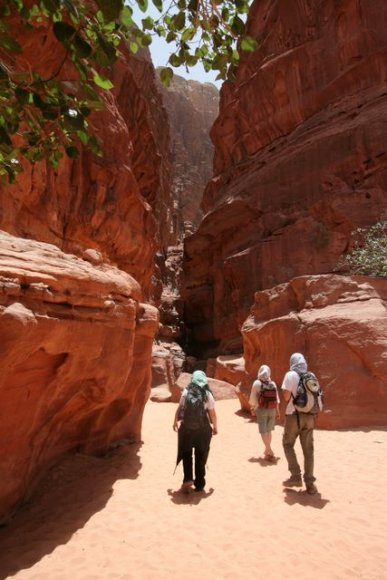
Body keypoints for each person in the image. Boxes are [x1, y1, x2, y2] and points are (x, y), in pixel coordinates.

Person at [173, 370, 218, 493]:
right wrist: (215, 427)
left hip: (186, 428)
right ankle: (199, 484)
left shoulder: (187, 391)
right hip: (203, 429)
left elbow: (180, 407)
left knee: (186, 453)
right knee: (201, 455)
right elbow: (212, 413)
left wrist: (174, 421)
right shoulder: (207, 393)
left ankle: (188, 478)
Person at [281, 352, 318, 494]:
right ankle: (310, 484)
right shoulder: (311, 375)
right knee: (308, 451)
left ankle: (296, 476)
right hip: (310, 416)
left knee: (287, 444)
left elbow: (285, 397)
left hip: (293, 415)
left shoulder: (290, 375)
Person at [249, 364, 280, 461]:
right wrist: (278, 412)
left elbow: (253, 399)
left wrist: (252, 408)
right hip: (272, 410)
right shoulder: (273, 383)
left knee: (263, 431)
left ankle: (269, 450)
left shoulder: (257, 383)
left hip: (261, 409)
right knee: (269, 430)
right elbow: (277, 399)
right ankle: (267, 451)